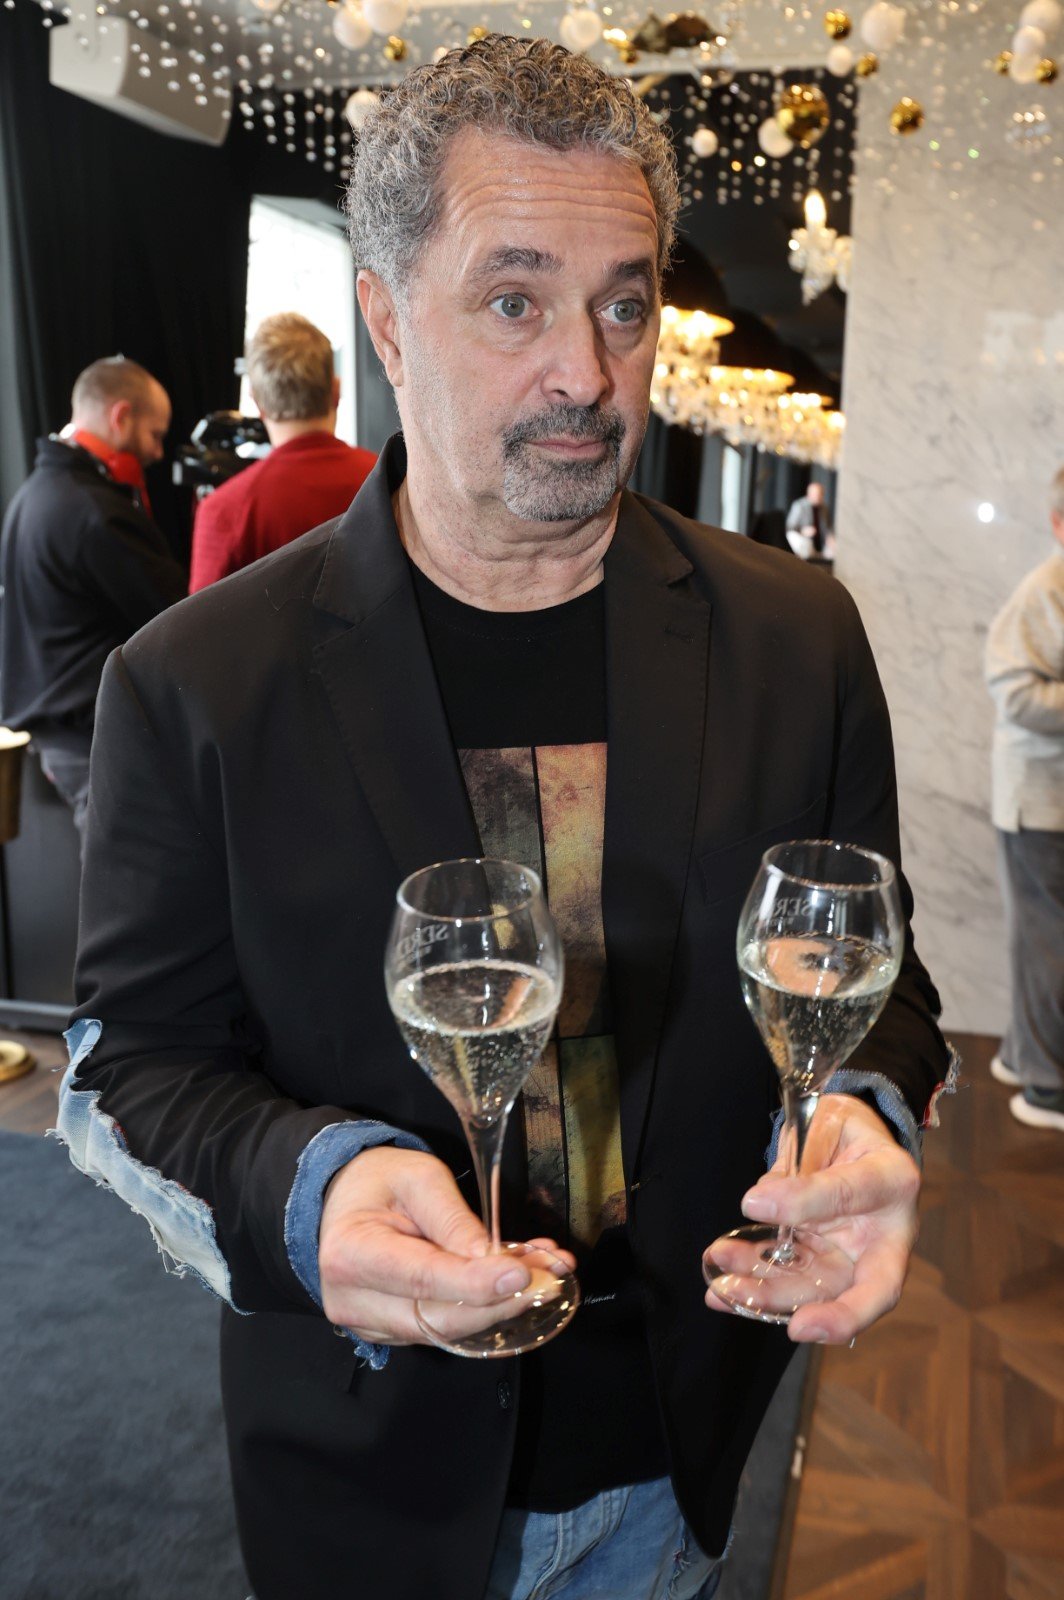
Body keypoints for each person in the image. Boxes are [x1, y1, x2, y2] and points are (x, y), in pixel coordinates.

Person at [55, 38, 954, 1600]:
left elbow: (881, 985)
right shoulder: (195, 684)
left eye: (625, 304)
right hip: (365, 1456)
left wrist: (866, 1112)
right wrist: (313, 1185)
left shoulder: (797, 640)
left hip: (676, 1445)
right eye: (515, 301)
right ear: (388, 319)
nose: (588, 375)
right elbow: (130, 1068)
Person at [0, 356, 185, 841]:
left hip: (59, 733)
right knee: (119, 878)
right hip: (89, 738)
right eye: (154, 435)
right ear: (121, 416)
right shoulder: (93, 512)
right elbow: (176, 616)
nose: (157, 452)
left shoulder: (34, 495)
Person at [985, 465, 1064, 1132]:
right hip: (1037, 802)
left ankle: (1021, 1055)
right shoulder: (1046, 589)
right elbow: (1012, 690)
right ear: (1058, 524)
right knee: (1048, 944)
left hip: (1051, 800)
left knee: (1042, 939)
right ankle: (1047, 1087)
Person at [188, 312, 376, 591]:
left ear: (257, 402)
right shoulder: (394, 480)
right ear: (336, 391)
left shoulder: (224, 511)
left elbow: (202, 618)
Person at [785, 480, 836, 561]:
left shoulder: (824, 508)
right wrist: (803, 531)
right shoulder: (799, 506)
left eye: (821, 494)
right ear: (809, 494)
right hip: (805, 543)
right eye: (816, 494)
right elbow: (789, 527)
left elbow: (829, 528)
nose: (819, 497)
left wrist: (830, 537)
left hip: (822, 546)